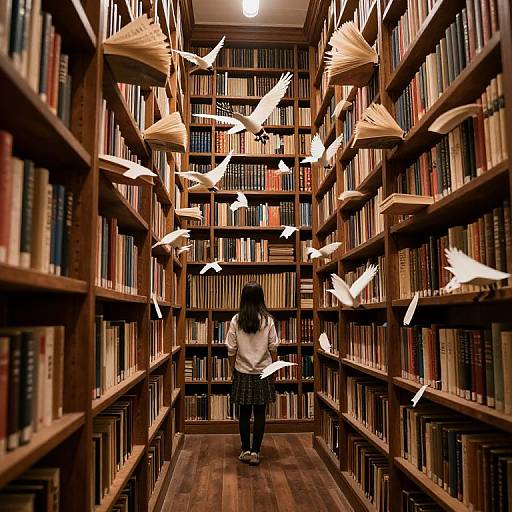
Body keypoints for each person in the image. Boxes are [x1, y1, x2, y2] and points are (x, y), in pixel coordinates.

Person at [225, 281, 279, 465]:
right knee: (261, 413)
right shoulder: (268, 320)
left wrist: (233, 369)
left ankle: (245, 450)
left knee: (244, 413)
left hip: (242, 371)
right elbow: (273, 348)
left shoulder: (236, 320)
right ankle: (256, 452)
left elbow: (231, 349)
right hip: (263, 371)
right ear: (261, 298)